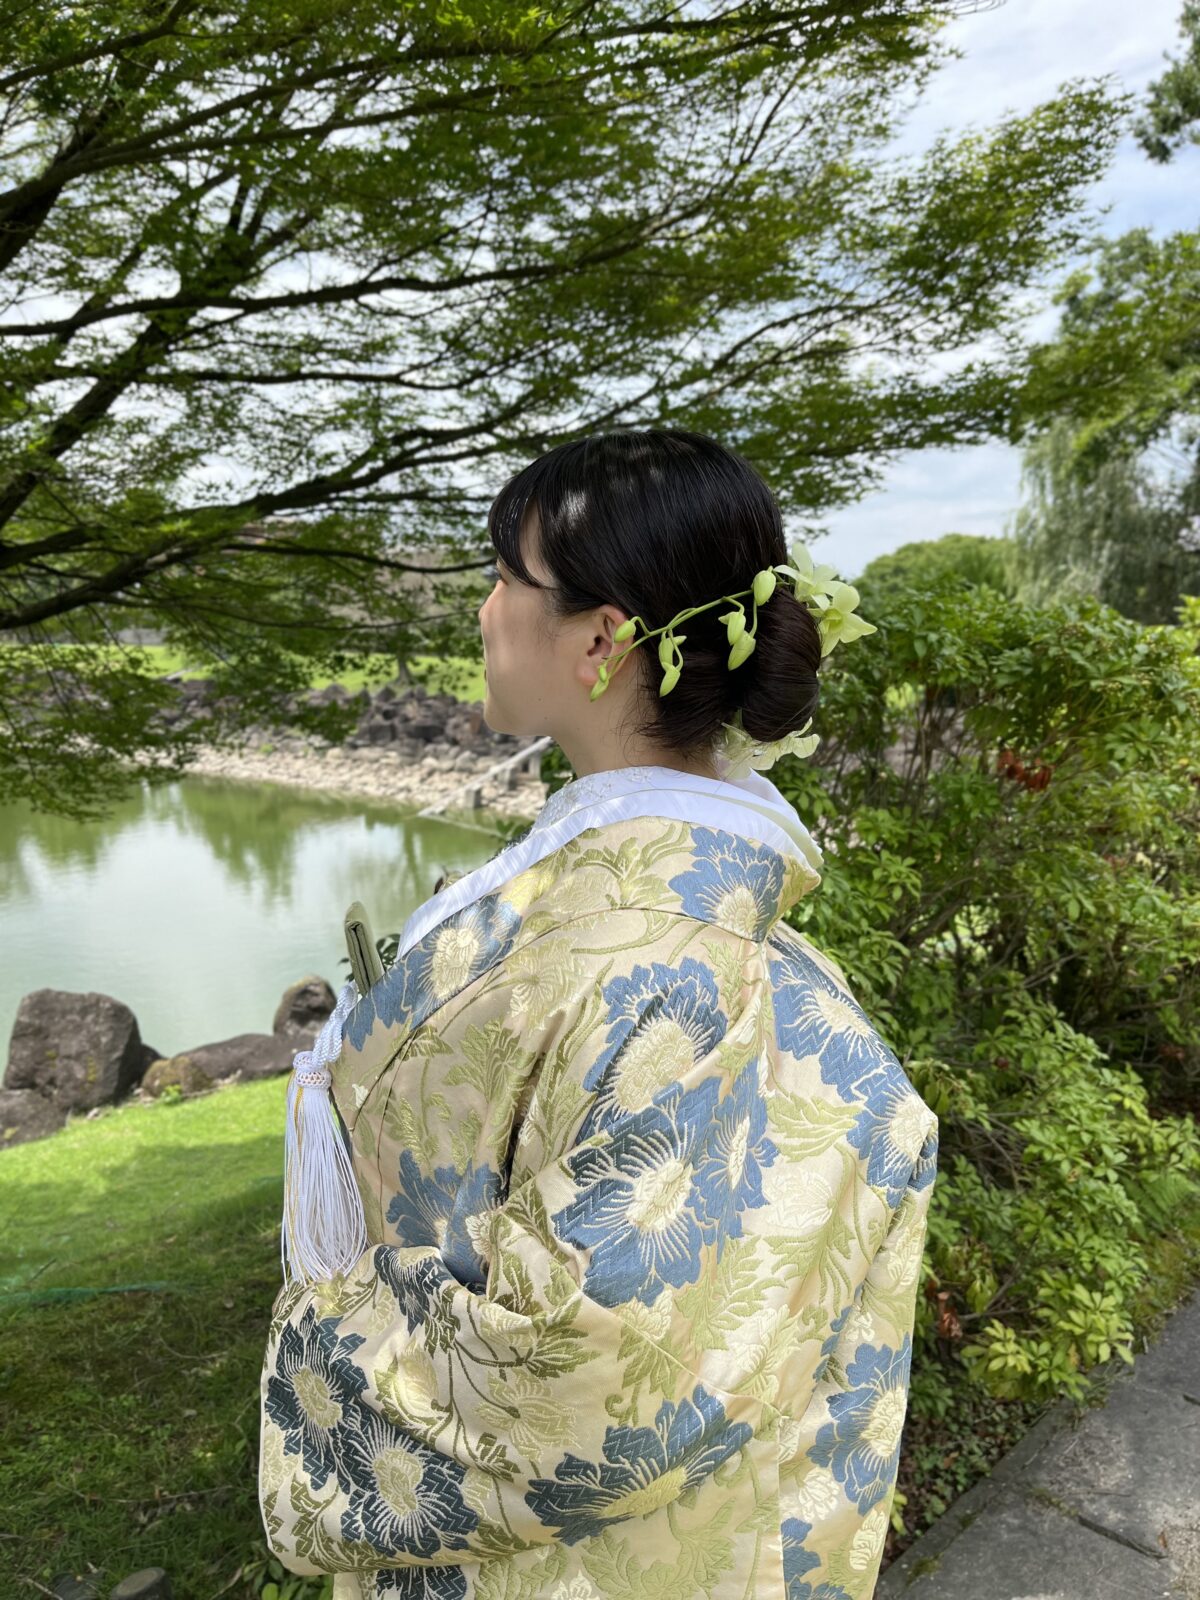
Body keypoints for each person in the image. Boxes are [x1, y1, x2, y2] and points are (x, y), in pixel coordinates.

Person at [259, 428, 939, 1600]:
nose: (482, 610)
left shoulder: (669, 963)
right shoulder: (646, 912)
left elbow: (599, 1363)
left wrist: (323, 1340)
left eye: (507, 578)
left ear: (600, 639)